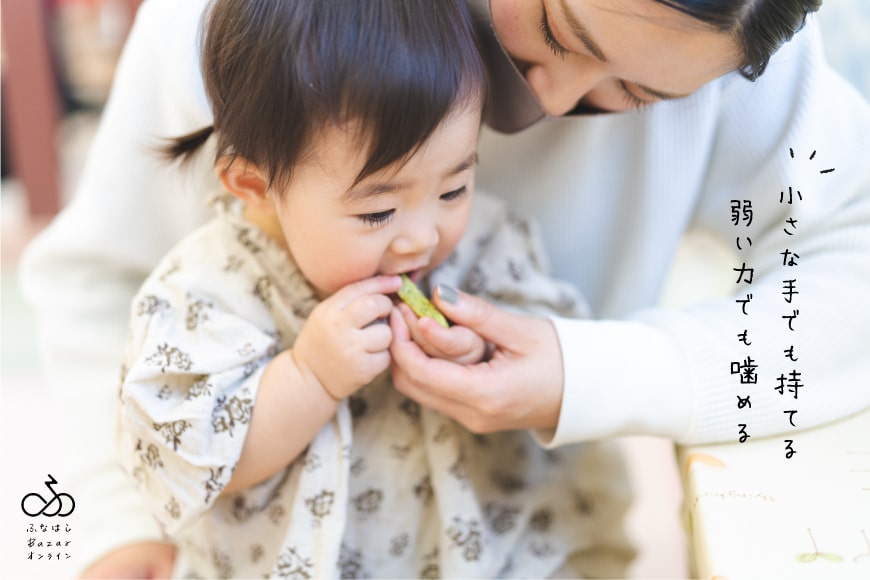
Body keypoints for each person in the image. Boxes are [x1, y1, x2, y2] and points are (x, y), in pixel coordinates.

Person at [18, 0, 870, 577]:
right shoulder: (232, 28)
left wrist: (595, 372)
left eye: (636, 91)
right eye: (557, 26)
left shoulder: (740, 43)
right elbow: (104, 280)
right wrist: (109, 518)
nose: (553, 96)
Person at [114, 0, 632, 577]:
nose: (421, 238)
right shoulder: (206, 292)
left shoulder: (486, 243)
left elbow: (555, 355)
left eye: (453, 188)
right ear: (253, 184)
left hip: (490, 552)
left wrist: (482, 352)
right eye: (379, 211)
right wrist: (310, 375)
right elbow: (200, 459)